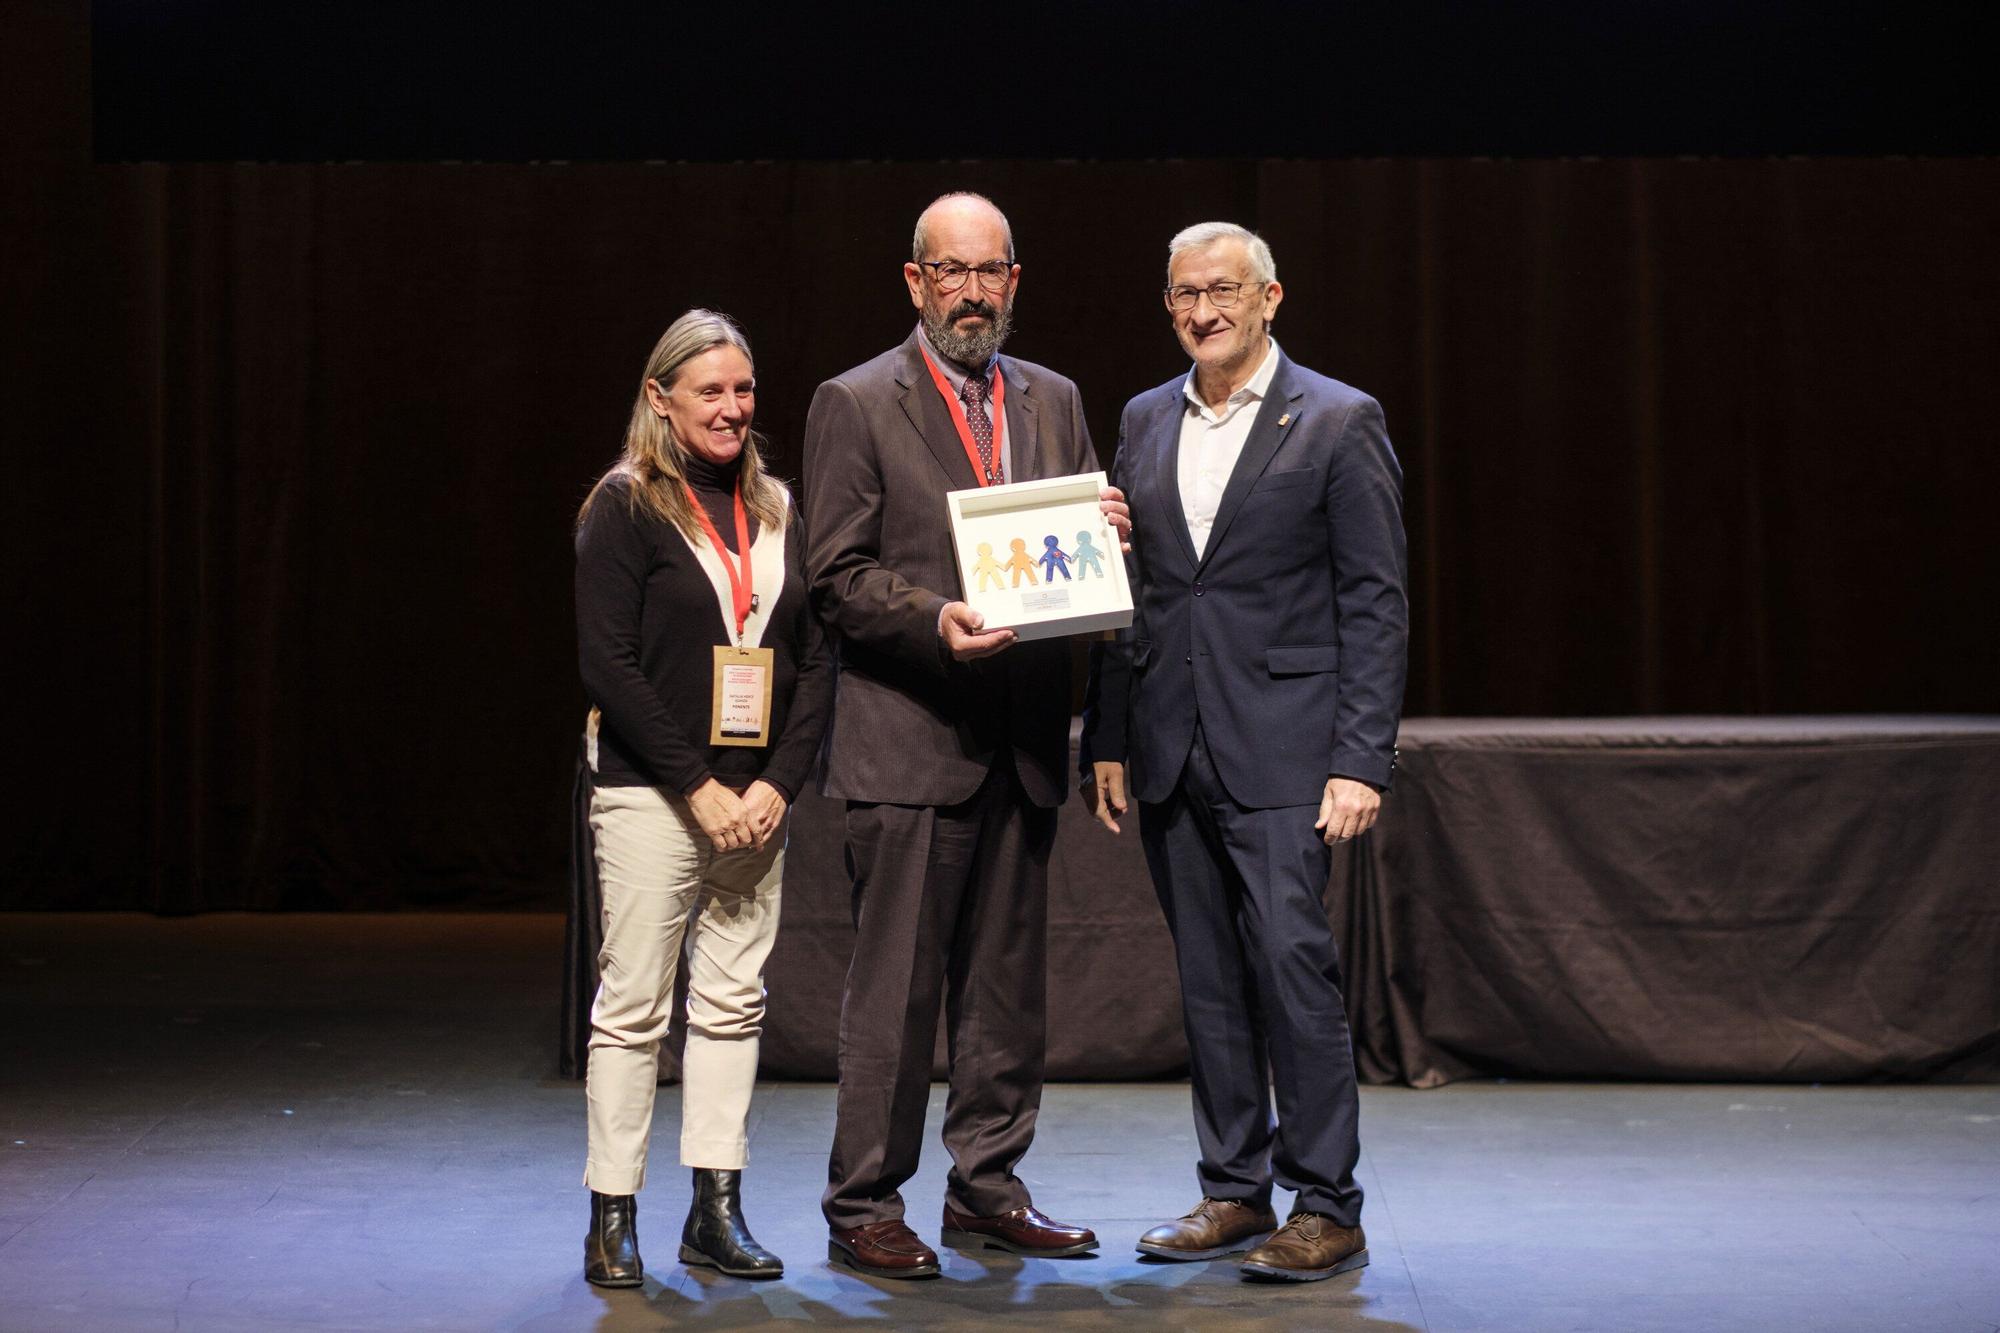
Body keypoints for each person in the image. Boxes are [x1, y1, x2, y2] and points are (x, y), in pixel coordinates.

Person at [803, 192, 1130, 1279]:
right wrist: (932, 622)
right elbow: (836, 578)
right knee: (894, 996)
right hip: (907, 745)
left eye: (988, 273)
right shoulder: (854, 401)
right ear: (914, 282)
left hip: (1023, 744)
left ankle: (984, 1189)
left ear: (1013, 281)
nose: (971, 292)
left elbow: (1068, 565)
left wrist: (1104, 536)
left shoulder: (1053, 397)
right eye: (950, 272)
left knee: (1003, 998)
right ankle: (862, 1206)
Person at [1079, 222, 1408, 1282]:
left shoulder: (1338, 418)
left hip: (1285, 753)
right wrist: (1111, 733)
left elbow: (1375, 600)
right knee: (1208, 980)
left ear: (1271, 297)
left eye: (1222, 290)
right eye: (1183, 292)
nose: (1201, 309)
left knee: (1290, 970)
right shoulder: (1140, 419)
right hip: (1172, 744)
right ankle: (1232, 1188)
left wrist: (1359, 758)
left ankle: (1325, 1203)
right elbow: (1133, 596)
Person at [574, 308, 832, 1285]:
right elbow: (609, 664)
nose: (731, 408)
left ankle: (713, 1210)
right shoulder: (625, 505)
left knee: (731, 1004)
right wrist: (697, 785)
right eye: (709, 390)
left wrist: (775, 782)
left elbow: (813, 660)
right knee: (634, 1006)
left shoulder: (775, 508)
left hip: (755, 802)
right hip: (653, 795)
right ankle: (612, 1216)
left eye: (743, 389)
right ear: (660, 398)